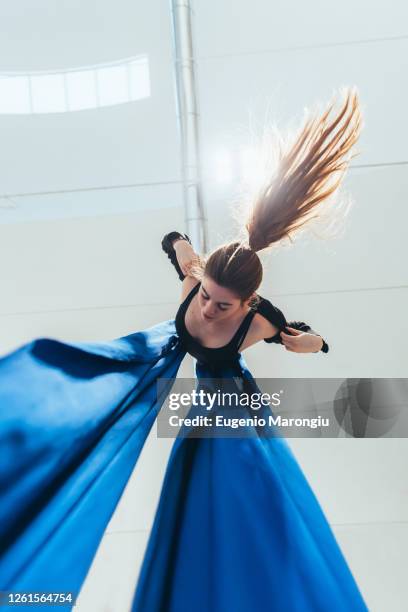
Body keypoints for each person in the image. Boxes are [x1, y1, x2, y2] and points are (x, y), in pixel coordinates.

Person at [0, 90, 368, 612]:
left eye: (223, 305)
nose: (209, 310)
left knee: (233, 475)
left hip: (224, 393)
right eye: (205, 296)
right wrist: (178, 245)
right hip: (155, 355)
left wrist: (317, 343)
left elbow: (301, 342)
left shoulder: (260, 323)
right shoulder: (196, 281)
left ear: (248, 304)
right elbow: (177, 245)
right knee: (85, 404)